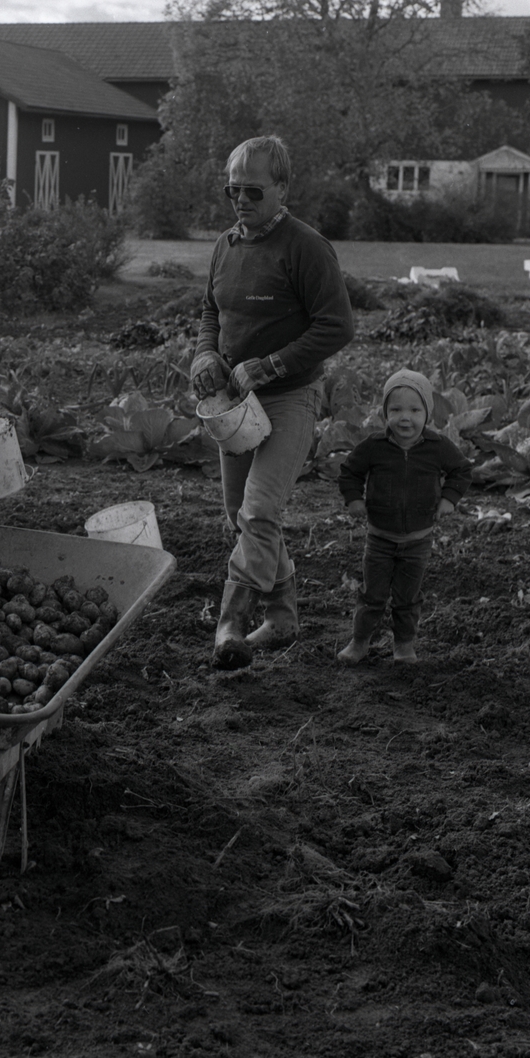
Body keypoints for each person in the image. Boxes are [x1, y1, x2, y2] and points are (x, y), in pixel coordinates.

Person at [190, 135, 354, 670]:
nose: (241, 200)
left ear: (282, 189)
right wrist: (205, 354)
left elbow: (337, 326)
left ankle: (230, 623)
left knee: (261, 509)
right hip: (235, 401)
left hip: (289, 397)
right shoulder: (226, 245)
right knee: (242, 515)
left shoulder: (305, 247)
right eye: (233, 190)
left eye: (253, 191)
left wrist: (271, 364)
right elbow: (212, 311)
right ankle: (281, 618)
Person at [337, 369, 472, 665]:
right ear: (385, 413)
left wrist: (449, 499)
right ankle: (359, 643)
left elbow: (462, 469)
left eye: (414, 409)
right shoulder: (374, 446)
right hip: (379, 539)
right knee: (372, 595)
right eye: (395, 410)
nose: (405, 418)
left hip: (418, 541)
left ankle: (404, 645)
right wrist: (354, 499)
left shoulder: (438, 447)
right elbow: (350, 471)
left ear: (427, 413)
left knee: (408, 598)